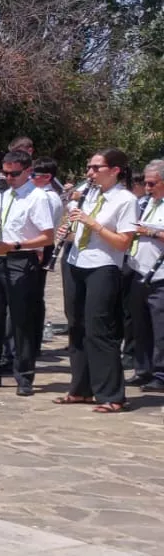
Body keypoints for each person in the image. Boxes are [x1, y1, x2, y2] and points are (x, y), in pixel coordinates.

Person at [0, 149, 59, 395]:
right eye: (5, 173)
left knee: (21, 321)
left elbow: (47, 236)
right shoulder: (2, 196)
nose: (8, 178)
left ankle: (24, 377)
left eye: (14, 173)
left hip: (20, 259)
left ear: (28, 172)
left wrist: (14, 245)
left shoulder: (37, 197)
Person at [55, 149, 140, 412]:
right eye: (88, 167)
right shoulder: (90, 195)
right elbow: (79, 232)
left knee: (99, 329)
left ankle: (112, 395)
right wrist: (66, 234)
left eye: (95, 167)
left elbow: (123, 242)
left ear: (114, 170)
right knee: (76, 326)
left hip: (103, 267)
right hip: (76, 263)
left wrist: (93, 224)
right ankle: (81, 389)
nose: (89, 173)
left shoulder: (125, 200)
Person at [129, 160, 164, 393]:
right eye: (145, 183)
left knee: (160, 327)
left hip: (161, 275)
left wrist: (149, 231)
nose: (147, 187)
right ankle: (142, 370)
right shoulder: (145, 203)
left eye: (152, 183)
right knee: (139, 326)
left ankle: (161, 374)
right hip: (138, 271)